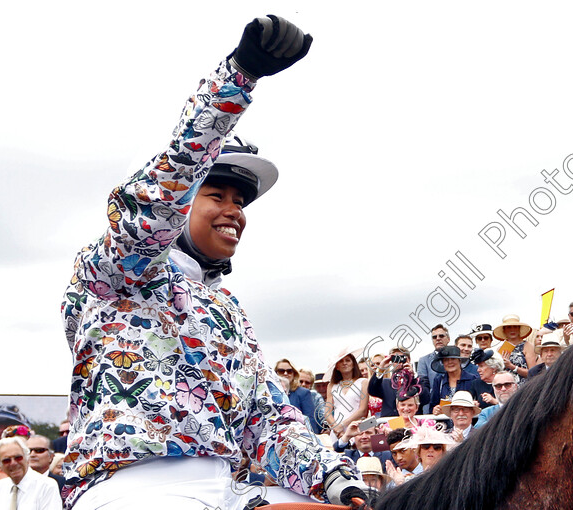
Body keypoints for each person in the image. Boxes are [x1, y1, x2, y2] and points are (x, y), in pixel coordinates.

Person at [60, 16, 368, 509]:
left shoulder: (229, 310)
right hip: (133, 489)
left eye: (241, 202)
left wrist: (336, 479)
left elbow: (268, 419)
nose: (234, 211)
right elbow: (166, 187)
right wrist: (239, 78)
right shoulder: (115, 270)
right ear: (179, 202)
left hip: (229, 490)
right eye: (217, 194)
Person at [0, 437, 61, 509]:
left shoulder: (47, 486)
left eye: (18, 458)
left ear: (27, 458)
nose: (13, 463)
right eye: (7, 460)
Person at [368, 347, 423, 417]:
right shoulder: (385, 383)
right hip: (390, 423)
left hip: (411, 422)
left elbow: (425, 398)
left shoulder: (417, 380)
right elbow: (372, 391)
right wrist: (381, 369)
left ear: (408, 360)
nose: (398, 362)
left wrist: (413, 377)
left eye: (401, 358)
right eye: (395, 359)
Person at [325, 350, 369, 438]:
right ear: (336, 367)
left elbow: (363, 410)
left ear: (353, 364)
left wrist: (342, 425)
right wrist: (336, 428)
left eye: (348, 360)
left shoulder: (363, 382)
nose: (344, 363)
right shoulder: (332, 385)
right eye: (341, 361)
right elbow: (327, 412)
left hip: (357, 429)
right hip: (337, 431)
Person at [429, 346, 481, 413]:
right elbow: (432, 405)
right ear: (443, 363)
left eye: (453, 359)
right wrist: (435, 409)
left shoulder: (473, 379)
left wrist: (476, 404)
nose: (450, 362)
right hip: (444, 422)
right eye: (446, 360)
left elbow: (480, 404)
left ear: (459, 361)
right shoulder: (439, 381)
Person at [275, 358, 318, 432]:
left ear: (294, 374)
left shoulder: (303, 393)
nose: (285, 373)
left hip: (298, 435)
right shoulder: (270, 393)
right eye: (281, 371)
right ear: (276, 373)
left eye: (289, 371)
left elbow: (310, 420)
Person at [416, 324, 451, 413]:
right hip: (431, 406)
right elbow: (423, 387)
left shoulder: (457, 359)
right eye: (434, 337)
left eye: (441, 336)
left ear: (448, 339)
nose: (438, 338)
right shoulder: (424, 360)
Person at [494, 315, 535, 384]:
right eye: (509, 327)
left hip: (524, 387)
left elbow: (533, 372)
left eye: (515, 327)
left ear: (519, 329)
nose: (512, 330)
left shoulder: (528, 346)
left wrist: (512, 366)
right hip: (505, 388)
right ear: (504, 330)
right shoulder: (499, 349)